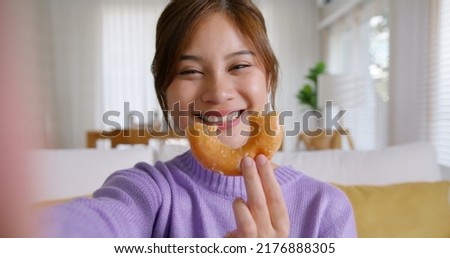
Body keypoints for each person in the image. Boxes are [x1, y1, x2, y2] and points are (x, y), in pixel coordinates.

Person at [43, 0, 356, 238]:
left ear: (269, 79)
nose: (218, 93)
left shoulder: (325, 209)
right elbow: (93, 224)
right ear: (164, 91)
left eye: (239, 66)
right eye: (190, 71)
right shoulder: (148, 192)